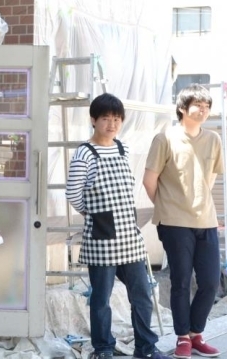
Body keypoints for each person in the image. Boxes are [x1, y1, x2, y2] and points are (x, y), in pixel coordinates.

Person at [65, 93, 168, 359]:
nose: (111, 124)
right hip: (101, 237)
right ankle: (103, 349)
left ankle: (145, 347)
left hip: (128, 235)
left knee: (142, 293)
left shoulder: (123, 148)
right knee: (101, 299)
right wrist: (96, 215)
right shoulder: (84, 153)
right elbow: (74, 194)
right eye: (105, 119)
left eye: (116, 119)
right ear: (93, 120)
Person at [144, 84, 223, 359]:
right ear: (182, 108)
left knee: (211, 281)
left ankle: (195, 332)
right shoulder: (164, 138)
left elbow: (209, 178)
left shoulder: (213, 139)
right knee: (180, 281)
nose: (203, 110)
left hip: (207, 220)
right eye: (197, 105)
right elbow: (149, 180)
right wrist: (168, 209)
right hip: (174, 222)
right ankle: (183, 338)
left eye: (207, 106)